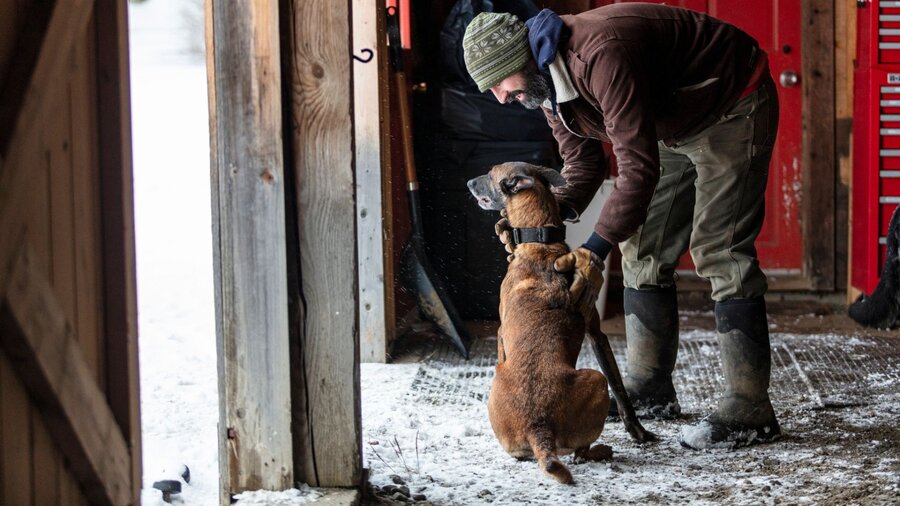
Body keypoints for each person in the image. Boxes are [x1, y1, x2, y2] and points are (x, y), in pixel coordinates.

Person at [462, 3, 780, 450]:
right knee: (643, 247)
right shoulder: (545, 86)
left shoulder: (599, 55)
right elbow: (582, 161)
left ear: (521, 59)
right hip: (669, 119)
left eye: (499, 82)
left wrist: (593, 249)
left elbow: (637, 170)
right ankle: (650, 389)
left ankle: (750, 409)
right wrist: (542, 224)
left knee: (719, 248)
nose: (500, 97)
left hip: (730, 102)